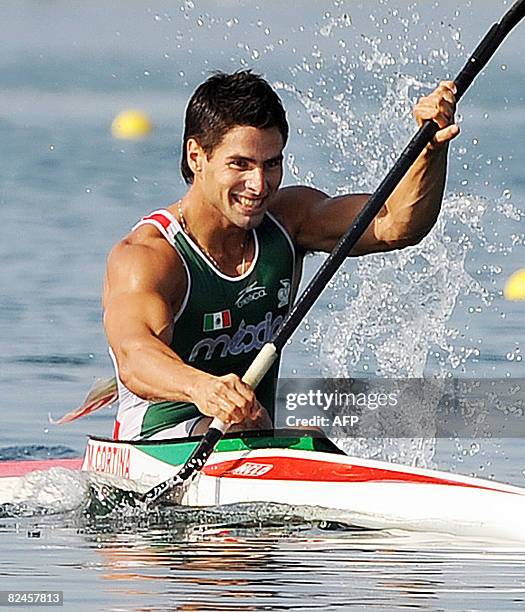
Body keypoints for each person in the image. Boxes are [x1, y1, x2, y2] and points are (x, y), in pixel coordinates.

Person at [103, 70, 458, 441]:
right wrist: (203, 388)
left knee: (312, 438)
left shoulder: (289, 221)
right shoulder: (149, 256)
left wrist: (430, 149)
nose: (259, 185)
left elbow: (396, 225)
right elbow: (134, 356)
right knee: (259, 431)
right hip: (154, 443)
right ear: (197, 157)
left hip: (248, 436)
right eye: (240, 164)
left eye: (271, 164)